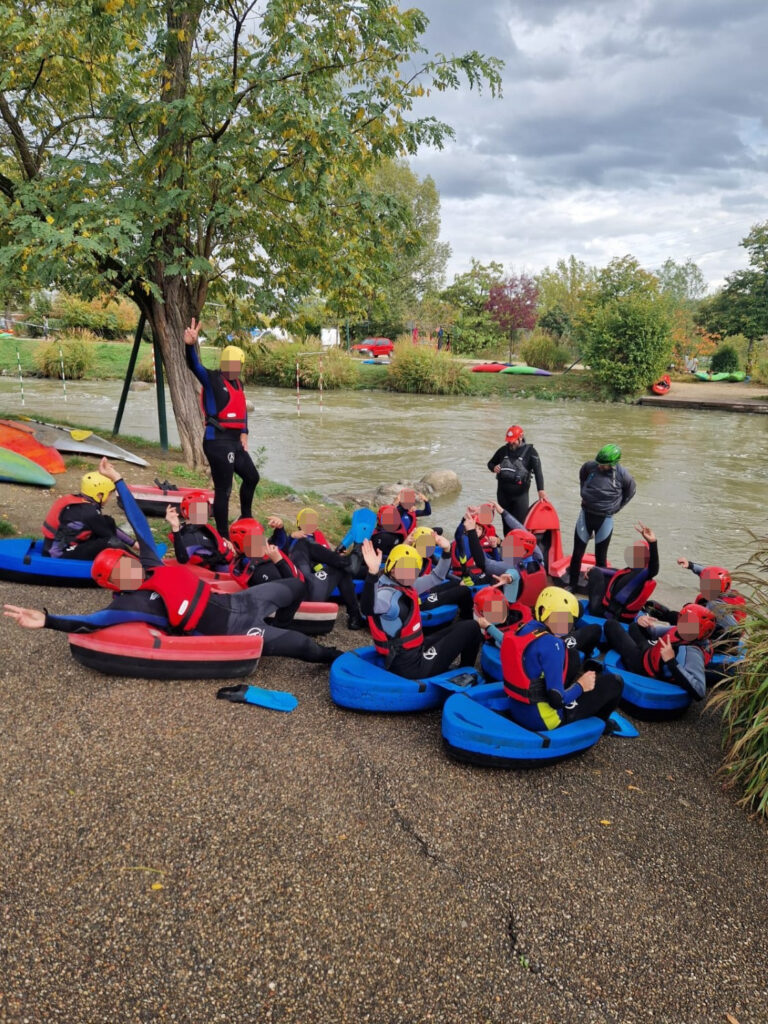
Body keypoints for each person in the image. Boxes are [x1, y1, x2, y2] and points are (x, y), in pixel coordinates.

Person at [5, 459, 340, 665]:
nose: (130, 569)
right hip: (232, 627)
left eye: (127, 563)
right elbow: (91, 622)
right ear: (112, 584)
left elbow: (137, 521)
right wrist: (48, 620)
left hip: (238, 601)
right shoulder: (131, 605)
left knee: (295, 585)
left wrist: (119, 480)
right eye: (119, 573)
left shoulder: (151, 564)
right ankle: (331, 657)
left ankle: (281, 623)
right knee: (304, 648)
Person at [477, 586, 622, 731]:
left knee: (571, 655)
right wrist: (581, 685)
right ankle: (603, 724)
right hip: (544, 720)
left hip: (517, 707)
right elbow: (557, 700)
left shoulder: (523, 629)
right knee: (615, 682)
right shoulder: (553, 645)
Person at [359, 536, 482, 679]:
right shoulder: (386, 595)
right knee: (473, 627)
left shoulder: (404, 583)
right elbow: (369, 608)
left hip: (412, 651)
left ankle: (462, 670)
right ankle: (464, 674)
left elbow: (437, 576)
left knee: (463, 626)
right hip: (411, 667)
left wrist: (447, 550)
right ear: (392, 569)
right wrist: (372, 574)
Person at [184, 318, 260, 538]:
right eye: (233, 364)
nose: (236, 369)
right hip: (217, 441)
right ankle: (223, 536)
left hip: (235, 442)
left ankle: (246, 517)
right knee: (224, 490)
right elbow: (194, 365)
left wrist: (245, 431)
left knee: (252, 477)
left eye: (239, 366)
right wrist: (190, 345)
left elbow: (242, 410)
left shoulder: (238, 383)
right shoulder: (211, 379)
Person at [604, 604, 715, 700]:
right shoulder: (681, 630)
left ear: (702, 630)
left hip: (644, 668)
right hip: (650, 654)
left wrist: (671, 661)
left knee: (611, 625)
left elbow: (699, 691)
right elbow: (653, 632)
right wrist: (643, 621)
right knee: (634, 627)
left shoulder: (692, 652)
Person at [567, 444, 636, 592]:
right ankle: (572, 584)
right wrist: (583, 493)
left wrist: (617, 507)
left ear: (613, 464)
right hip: (585, 514)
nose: (600, 467)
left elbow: (630, 491)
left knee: (601, 556)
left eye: (604, 465)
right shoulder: (590, 467)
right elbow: (582, 476)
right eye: (599, 463)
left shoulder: (623, 475)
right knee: (577, 553)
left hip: (605, 518)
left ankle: (599, 589)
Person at [41, 470, 137, 560]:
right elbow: (111, 538)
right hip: (58, 554)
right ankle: (142, 567)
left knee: (108, 521)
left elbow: (105, 525)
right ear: (99, 495)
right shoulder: (89, 513)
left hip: (50, 545)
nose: (109, 498)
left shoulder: (75, 501)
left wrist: (133, 544)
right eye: (109, 494)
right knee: (112, 542)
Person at [585, 522, 659, 622]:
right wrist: (595, 568)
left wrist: (653, 542)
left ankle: (593, 610)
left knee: (596, 574)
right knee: (598, 571)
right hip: (616, 612)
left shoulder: (644, 573)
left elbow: (654, 569)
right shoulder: (635, 571)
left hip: (607, 614)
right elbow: (617, 573)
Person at [487, 425, 548, 525]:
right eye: (509, 440)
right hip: (503, 495)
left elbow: (538, 472)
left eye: (513, 440)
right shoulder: (503, 450)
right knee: (506, 524)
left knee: (519, 524)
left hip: (520, 497)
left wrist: (541, 490)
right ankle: (507, 540)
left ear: (521, 437)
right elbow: (490, 463)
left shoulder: (531, 452)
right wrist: (493, 468)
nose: (510, 443)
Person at [166, 491, 234, 572]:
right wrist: (175, 529)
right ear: (185, 511)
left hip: (228, 566)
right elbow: (182, 559)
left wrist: (228, 546)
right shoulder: (191, 536)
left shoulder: (201, 528)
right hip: (222, 575)